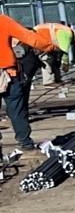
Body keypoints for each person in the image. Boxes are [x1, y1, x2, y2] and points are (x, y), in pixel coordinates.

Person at [0, 14, 46, 150]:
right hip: (9, 72)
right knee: (17, 109)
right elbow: (30, 38)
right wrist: (49, 46)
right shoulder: (3, 20)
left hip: (9, 72)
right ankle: (25, 142)